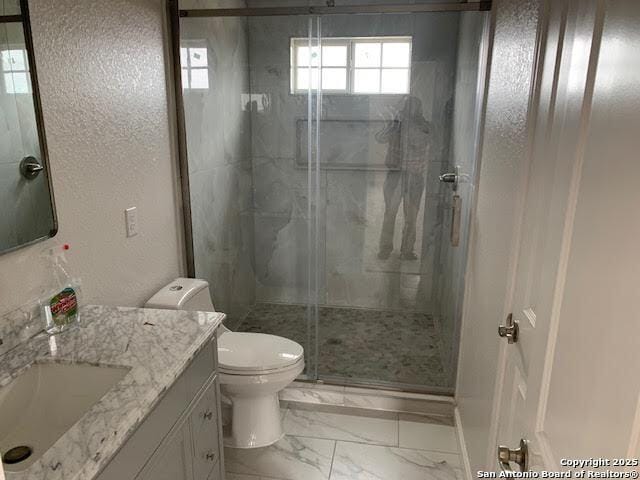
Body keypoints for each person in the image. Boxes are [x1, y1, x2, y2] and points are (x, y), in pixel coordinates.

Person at [376, 96, 430, 260]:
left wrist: (408, 127)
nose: (409, 109)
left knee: (411, 217)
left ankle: (407, 250)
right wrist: (394, 125)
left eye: (413, 106)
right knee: (390, 213)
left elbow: (426, 141)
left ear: (419, 108)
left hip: (414, 177)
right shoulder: (395, 125)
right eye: (407, 106)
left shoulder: (424, 126)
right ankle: (385, 248)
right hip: (396, 175)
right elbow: (379, 138)